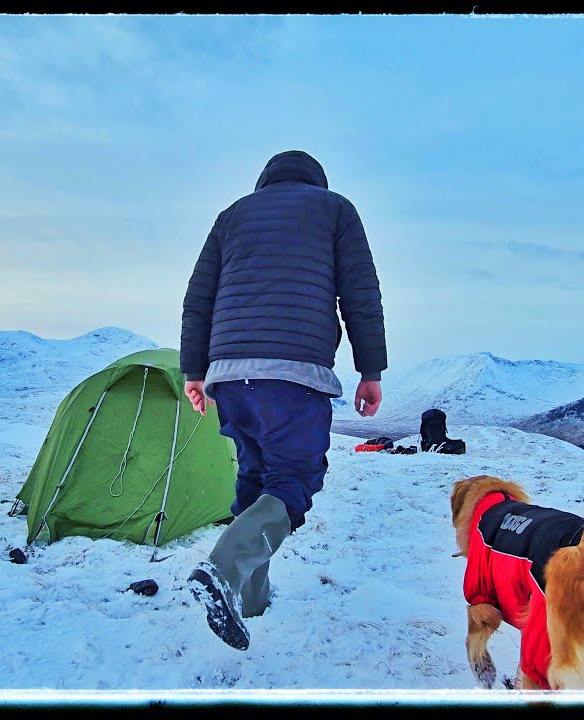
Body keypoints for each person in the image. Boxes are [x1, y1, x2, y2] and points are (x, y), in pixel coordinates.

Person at [180, 149, 387, 650]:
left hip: (229, 375)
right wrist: (370, 370)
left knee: (256, 479)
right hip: (294, 372)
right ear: (317, 181)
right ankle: (225, 572)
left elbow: (198, 298)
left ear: (264, 182)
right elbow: (360, 293)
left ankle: (251, 602)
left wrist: (193, 372)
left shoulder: (231, 216)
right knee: (294, 479)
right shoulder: (336, 209)